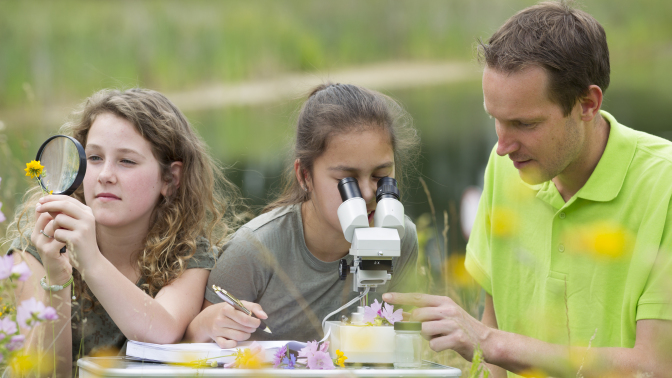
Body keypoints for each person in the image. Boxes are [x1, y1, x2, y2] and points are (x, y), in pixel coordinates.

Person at [383, 1, 672, 377]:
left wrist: (490, 342)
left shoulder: (663, 185)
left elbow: (657, 365)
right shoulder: (505, 167)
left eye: (524, 123)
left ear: (587, 104)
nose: (503, 145)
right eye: (496, 121)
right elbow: (493, 348)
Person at [5, 88, 240, 377]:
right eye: (94, 158)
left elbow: (161, 332)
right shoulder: (37, 247)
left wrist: (91, 261)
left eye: (126, 161)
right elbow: (46, 373)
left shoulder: (186, 253)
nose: (105, 175)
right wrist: (57, 278)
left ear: (170, 178)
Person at [185, 83, 421, 346]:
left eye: (381, 176)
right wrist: (203, 327)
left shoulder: (401, 239)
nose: (367, 193)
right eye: (347, 180)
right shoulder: (253, 251)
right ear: (304, 176)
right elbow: (191, 350)